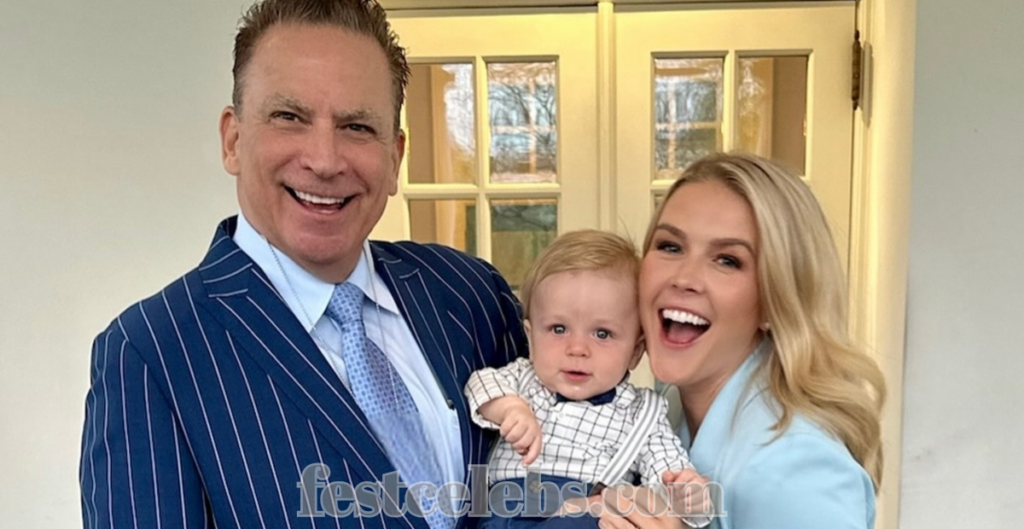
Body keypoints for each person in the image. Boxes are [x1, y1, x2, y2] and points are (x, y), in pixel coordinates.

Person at [78, 1, 526, 528]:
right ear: (233, 140)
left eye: (357, 126)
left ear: (395, 158)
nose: (325, 160)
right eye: (289, 118)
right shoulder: (151, 352)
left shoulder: (470, 295)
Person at [599, 153, 885, 529]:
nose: (684, 278)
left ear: (775, 299)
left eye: (727, 260)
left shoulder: (792, 471)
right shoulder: (671, 409)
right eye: (670, 246)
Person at [465, 230, 710, 529]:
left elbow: (667, 469)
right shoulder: (522, 379)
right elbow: (480, 385)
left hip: (585, 515)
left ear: (635, 352)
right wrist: (509, 409)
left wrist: (686, 493)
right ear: (531, 337)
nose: (577, 349)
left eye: (602, 334)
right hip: (506, 511)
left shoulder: (642, 414)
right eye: (558, 329)